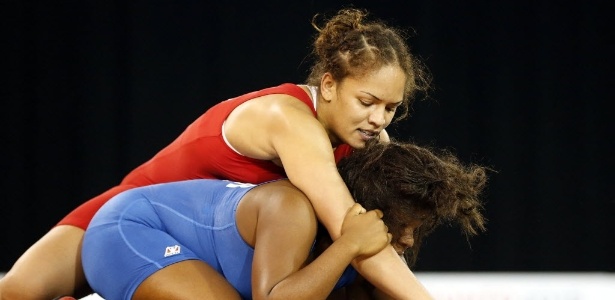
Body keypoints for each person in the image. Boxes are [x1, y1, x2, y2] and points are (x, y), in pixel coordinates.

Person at [0, 8, 432, 300]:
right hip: (137, 212)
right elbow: (351, 232)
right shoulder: (288, 120)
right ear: (330, 85)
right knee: (16, 293)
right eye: (367, 101)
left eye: (391, 108)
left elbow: (380, 234)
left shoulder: (370, 141)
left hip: (203, 239)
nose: (378, 119)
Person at [80, 140, 487, 300]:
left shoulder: (361, 252)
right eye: (405, 226)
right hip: (128, 230)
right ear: (372, 210)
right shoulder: (292, 207)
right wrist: (348, 245)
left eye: (420, 228)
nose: (409, 241)